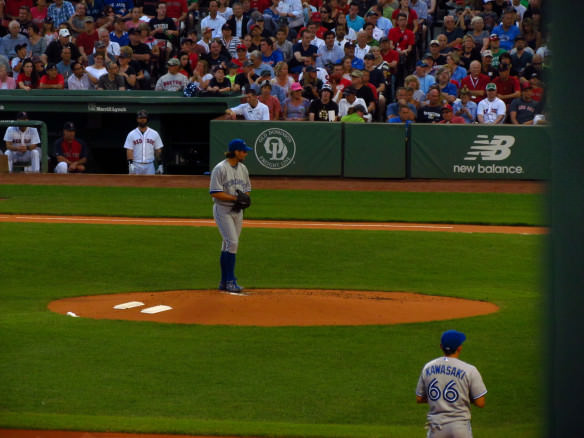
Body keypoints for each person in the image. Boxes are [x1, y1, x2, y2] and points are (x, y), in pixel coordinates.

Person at [416, 330, 487, 438]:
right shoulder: (470, 370)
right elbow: (480, 402)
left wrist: (440, 400)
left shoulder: (428, 367)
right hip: (460, 428)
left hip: (436, 428)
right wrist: (461, 397)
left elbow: (419, 398)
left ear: (441, 346)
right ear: (460, 347)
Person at [209, 138, 252, 294]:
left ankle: (224, 282)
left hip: (237, 212)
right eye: (244, 151)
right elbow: (215, 192)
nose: (246, 154)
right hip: (223, 210)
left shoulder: (243, 169)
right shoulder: (220, 169)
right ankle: (230, 280)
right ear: (235, 152)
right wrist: (235, 199)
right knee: (232, 243)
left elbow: (247, 189)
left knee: (229, 244)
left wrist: (243, 199)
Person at [124, 110, 164, 175]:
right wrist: (130, 164)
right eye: (140, 118)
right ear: (137, 119)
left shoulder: (154, 133)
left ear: (147, 119)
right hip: (136, 164)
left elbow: (158, 150)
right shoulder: (131, 134)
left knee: (150, 184)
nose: (142, 120)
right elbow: (129, 150)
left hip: (149, 165)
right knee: (134, 184)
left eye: (144, 118)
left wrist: (160, 164)